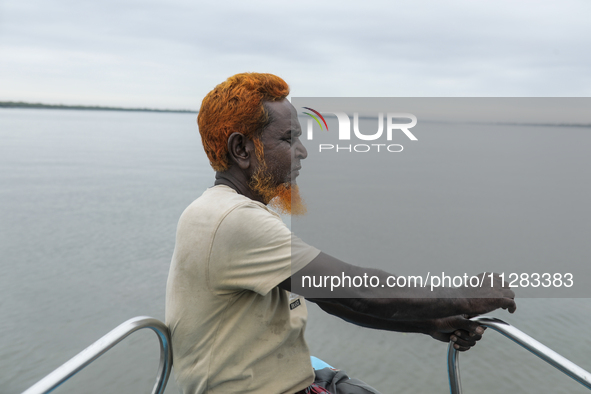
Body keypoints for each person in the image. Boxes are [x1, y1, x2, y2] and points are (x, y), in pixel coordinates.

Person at [165, 72, 516, 394]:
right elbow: (355, 290)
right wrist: (465, 298)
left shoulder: (226, 211)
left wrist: (429, 321)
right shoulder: (233, 220)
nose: (302, 151)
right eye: (288, 139)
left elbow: (333, 299)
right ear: (241, 149)